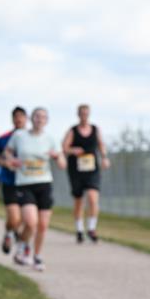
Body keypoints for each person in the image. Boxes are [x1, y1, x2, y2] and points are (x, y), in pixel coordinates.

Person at [4, 107, 66, 271]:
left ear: (47, 120)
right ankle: (22, 248)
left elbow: (62, 164)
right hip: (25, 184)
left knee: (43, 225)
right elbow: (7, 152)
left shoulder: (51, 138)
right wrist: (12, 160)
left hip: (44, 183)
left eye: (43, 117)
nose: (40, 119)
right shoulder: (19, 136)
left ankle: (36, 256)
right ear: (31, 119)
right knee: (31, 222)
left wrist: (57, 156)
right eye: (37, 116)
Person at [62, 104, 111, 243]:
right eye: (81, 113)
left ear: (89, 114)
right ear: (78, 114)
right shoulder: (72, 131)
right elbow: (64, 147)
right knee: (78, 201)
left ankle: (91, 228)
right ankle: (79, 230)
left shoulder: (95, 129)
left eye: (86, 113)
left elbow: (101, 144)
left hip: (92, 168)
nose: (84, 116)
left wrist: (105, 158)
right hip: (76, 169)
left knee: (93, 197)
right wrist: (73, 150)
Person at [0, 107, 27, 254]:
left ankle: (15, 234)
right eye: (16, 117)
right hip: (10, 181)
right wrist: (5, 163)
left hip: (28, 182)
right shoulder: (4, 139)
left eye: (21, 116)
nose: (19, 119)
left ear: (26, 119)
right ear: (12, 119)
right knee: (14, 217)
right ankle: (9, 233)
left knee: (26, 217)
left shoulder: (33, 137)